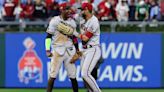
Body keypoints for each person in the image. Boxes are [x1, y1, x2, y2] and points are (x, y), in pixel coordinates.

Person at [45, 4, 79, 92]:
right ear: (61, 10)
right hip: (57, 50)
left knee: (73, 76)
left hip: (69, 50)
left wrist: (78, 51)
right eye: (66, 9)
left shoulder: (72, 22)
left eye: (69, 9)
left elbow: (74, 37)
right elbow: (48, 36)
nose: (69, 11)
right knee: (53, 75)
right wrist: (47, 49)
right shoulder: (55, 21)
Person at [73, 2, 102, 92]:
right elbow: (71, 17)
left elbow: (85, 38)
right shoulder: (82, 20)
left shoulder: (94, 21)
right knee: (84, 76)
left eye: (82, 10)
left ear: (86, 10)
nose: (80, 12)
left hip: (93, 49)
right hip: (84, 49)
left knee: (85, 74)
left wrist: (74, 32)